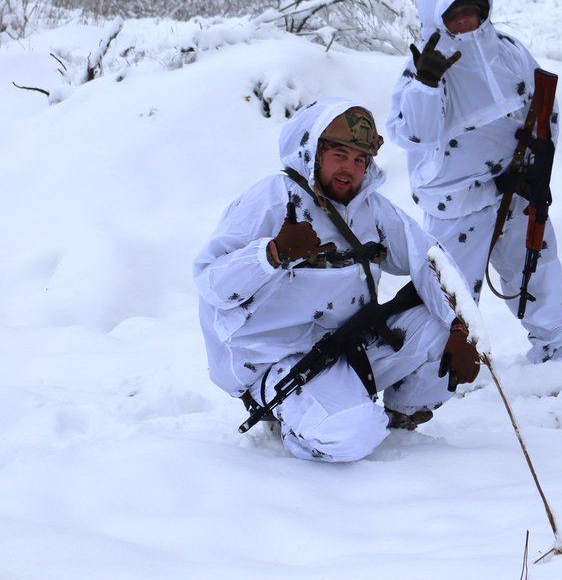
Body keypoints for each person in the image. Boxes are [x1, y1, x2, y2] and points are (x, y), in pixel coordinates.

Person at [195, 98, 480, 462]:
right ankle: (293, 423)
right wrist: (271, 254)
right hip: (276, 360)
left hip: (346, 345)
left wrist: (461, 327)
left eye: (360, 160)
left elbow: (429, 258)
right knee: (352, 437)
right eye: (340, 155)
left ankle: (398, 417)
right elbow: (210, 281)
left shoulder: (371, 210)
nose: (350, 169)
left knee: (443, 328)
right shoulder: (271, 200)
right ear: (313, 152)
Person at [387, 0, 562, 363]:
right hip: (455, 196)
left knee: (535, 269)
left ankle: (555, 351)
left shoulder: (508, 51)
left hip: (517, 186)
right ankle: (441, 368)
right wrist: (426, 86)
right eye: (455, 14)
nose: (465, 21)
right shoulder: (424, 65)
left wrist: (541, 165)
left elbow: (543, 109)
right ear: (437, 18)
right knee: (448, 290)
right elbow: (414, 135)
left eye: (472, 12)